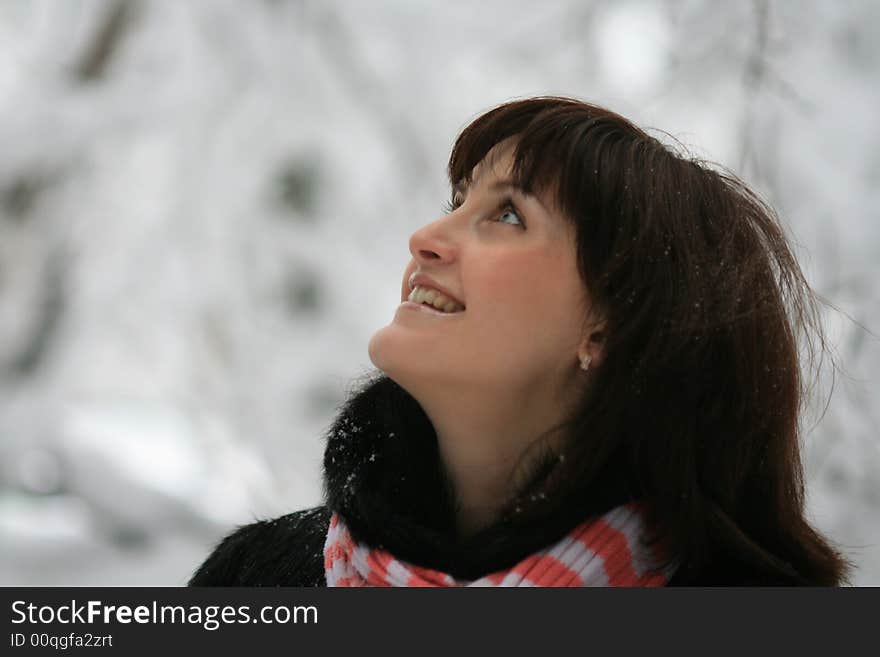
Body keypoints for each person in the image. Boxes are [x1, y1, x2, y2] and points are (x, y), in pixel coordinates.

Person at [188, 96, 851, 586]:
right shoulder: (258, 580)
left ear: (609, 324)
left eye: (506, 214)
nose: (426, 236)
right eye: (457, 201)